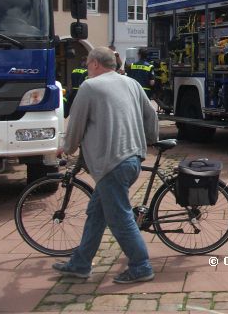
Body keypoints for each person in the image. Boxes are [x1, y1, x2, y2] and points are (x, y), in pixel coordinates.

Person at [52, 46, 159, 283]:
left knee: (120, 218)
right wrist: (151, 140)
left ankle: (141, 266)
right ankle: (80, 263)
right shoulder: (130, 82)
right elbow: (151, 115)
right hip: (132, 159)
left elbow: (76, 124)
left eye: (88, 64)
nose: (86, 68)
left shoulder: (90, 87)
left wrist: (66, 148)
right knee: (96, 213)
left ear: (96, 64)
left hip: (112, 163)